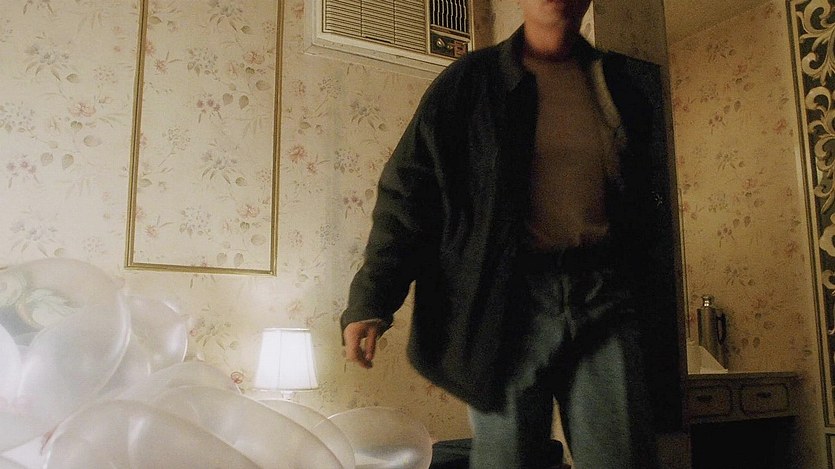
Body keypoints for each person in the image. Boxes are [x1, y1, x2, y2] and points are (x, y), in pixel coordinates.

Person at [341, 0, 682, 467]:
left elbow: (646, 214)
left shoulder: (619, 85)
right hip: (504, 306)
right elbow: (410, 192)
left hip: (605, 299)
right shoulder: (468, 83)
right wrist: (372, 299)